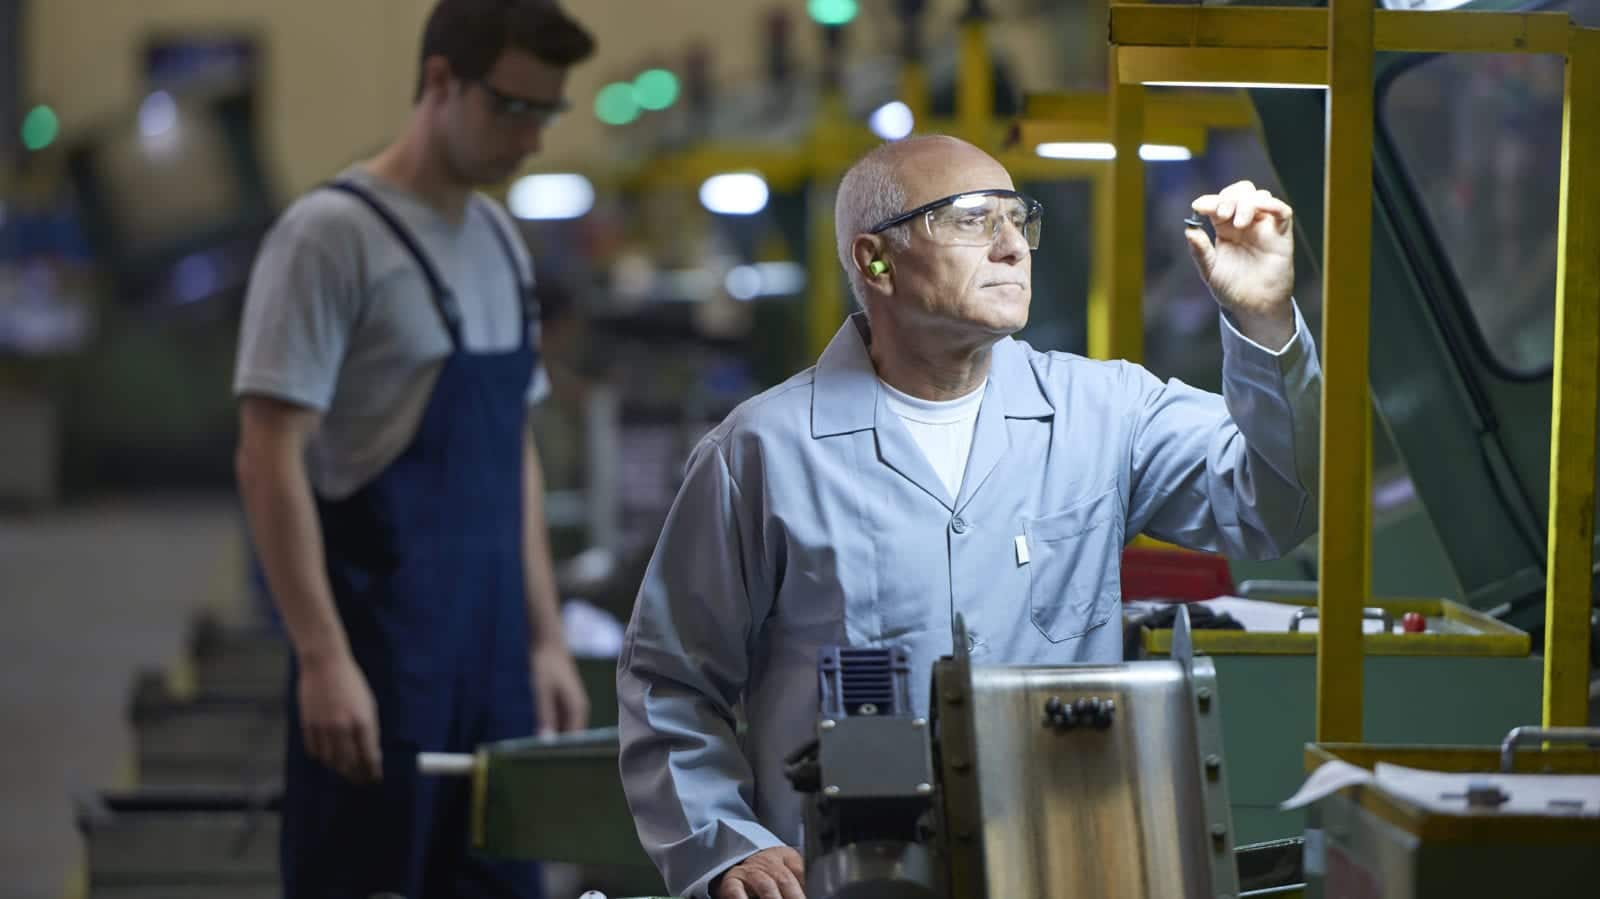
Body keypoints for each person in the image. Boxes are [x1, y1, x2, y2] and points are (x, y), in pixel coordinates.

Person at [616, 134, 1320, 899]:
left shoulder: (1106, 412)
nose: (1013, 247)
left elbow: (1275, 503)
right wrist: (726, 846)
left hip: (1063, 868)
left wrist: (1266, 326)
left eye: (1019, 219)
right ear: (875, 261)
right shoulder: (762, 452)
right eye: (973, 220)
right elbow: (670, 682)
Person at [232, 2, 595, 895]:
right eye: (515, 108)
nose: (533, 139)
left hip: (494, 663)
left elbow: (513, 449)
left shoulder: (501, 244)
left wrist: (545, 641)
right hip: (382, 663)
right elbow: (267, 452)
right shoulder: (330, 237)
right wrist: (321, 656)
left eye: (547, 114)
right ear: (441, 82)